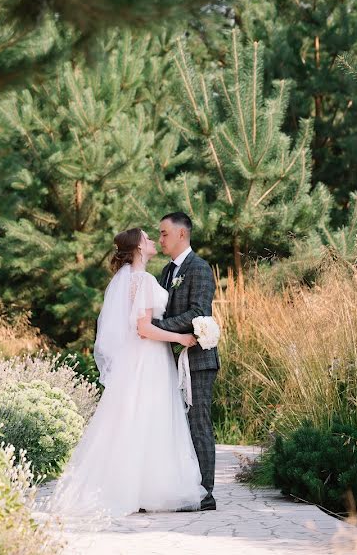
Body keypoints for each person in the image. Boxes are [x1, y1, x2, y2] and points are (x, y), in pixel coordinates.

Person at [47, 228, 206, 516]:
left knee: (135, 418)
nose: (153, 241)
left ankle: (134, 487)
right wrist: (180, 338)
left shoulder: (129, 280)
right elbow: (143, 328)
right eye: (147, 238)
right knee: (148, 418)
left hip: (140, 359)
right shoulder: (142, 279)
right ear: (137, 248)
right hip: (149, 358)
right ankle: (144, 489)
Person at [153, 211, 220, 511]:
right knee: (175, 426)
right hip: (169, 359)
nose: (160, 239)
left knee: (199, 424)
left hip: (198, 359)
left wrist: (157, 330)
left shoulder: (200, 268)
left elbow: (197, 313)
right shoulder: (165, 273)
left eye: (164, 233)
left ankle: (205, 493)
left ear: (182, 234)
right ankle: (183, 487)